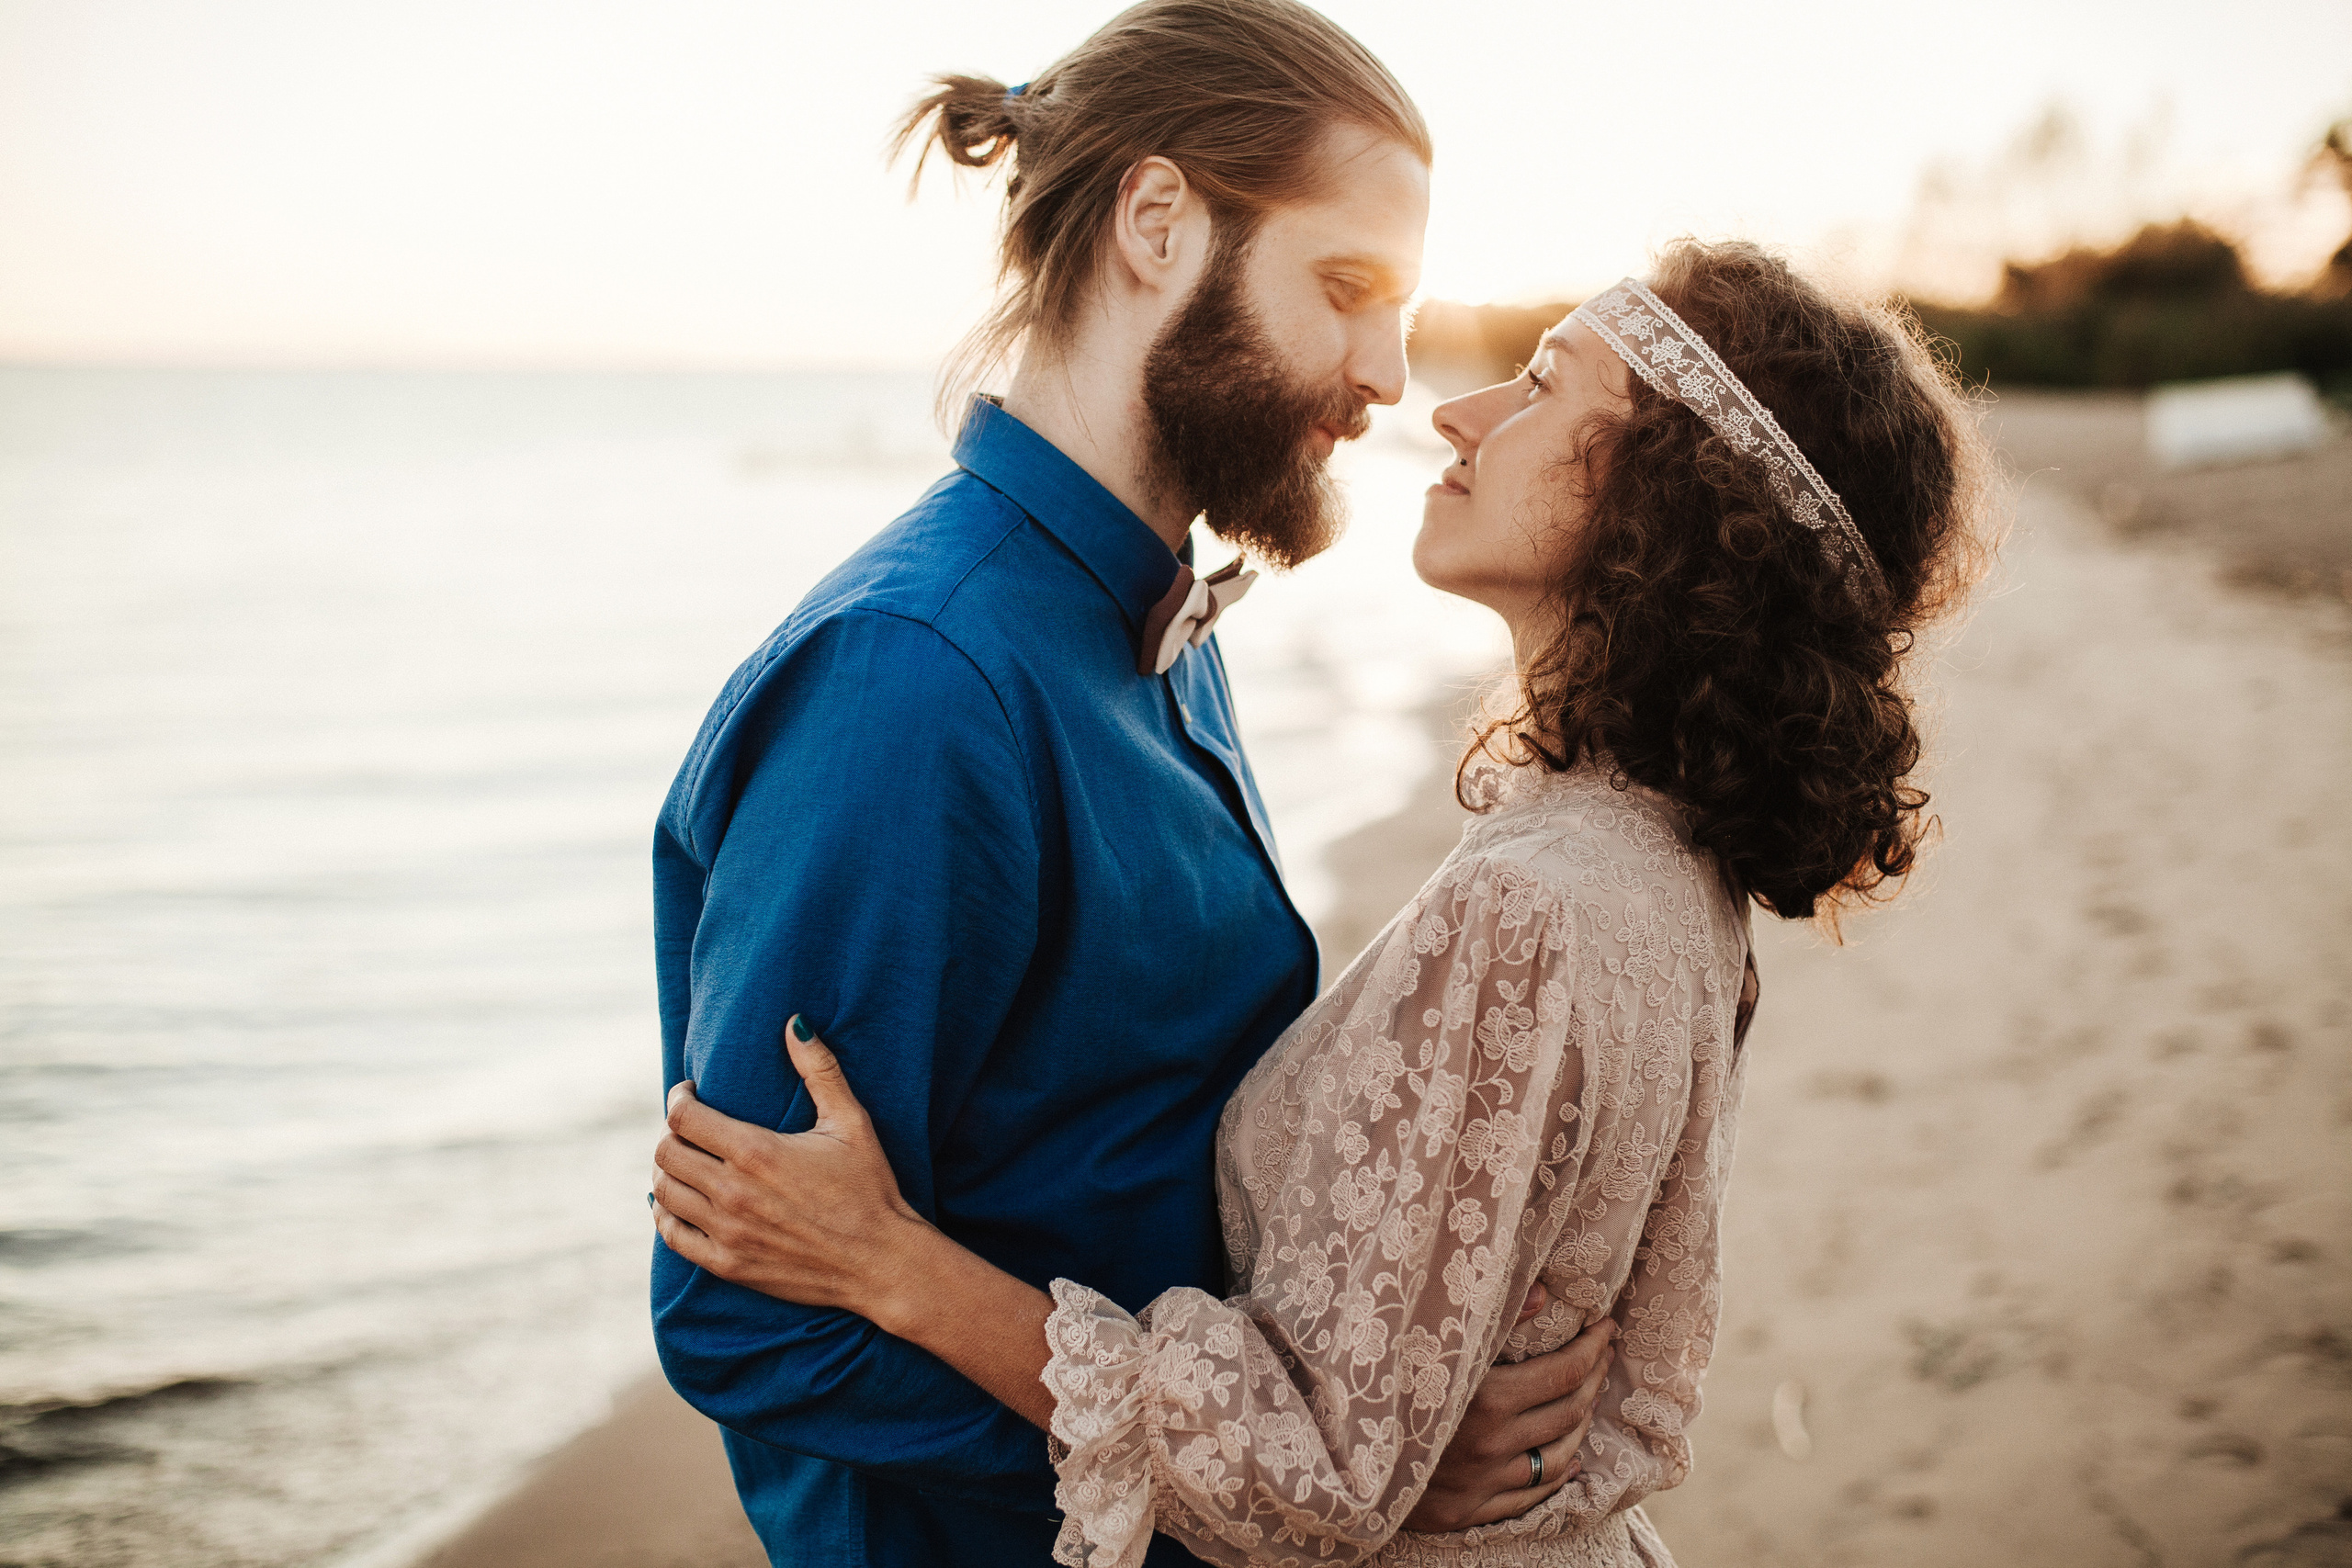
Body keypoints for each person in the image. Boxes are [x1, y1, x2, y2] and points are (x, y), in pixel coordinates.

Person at [650, 239, 1999, 1567]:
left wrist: (897, 1267)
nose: (1450, 410)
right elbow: (1385, 1411)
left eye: (1540, 386)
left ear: (1674, 501)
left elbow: (1317, 1471)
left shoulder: (1538, 905)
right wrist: (1405, 1434)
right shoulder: (1664, 861)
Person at [648, 4, 1620, 1564]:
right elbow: (749, 1322)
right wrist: (1285, 1488)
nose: (1387, 370)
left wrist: (1361, 1418)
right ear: (1158, 223)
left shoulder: (1153, 617)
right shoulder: (917, 683)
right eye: (1347, 287)